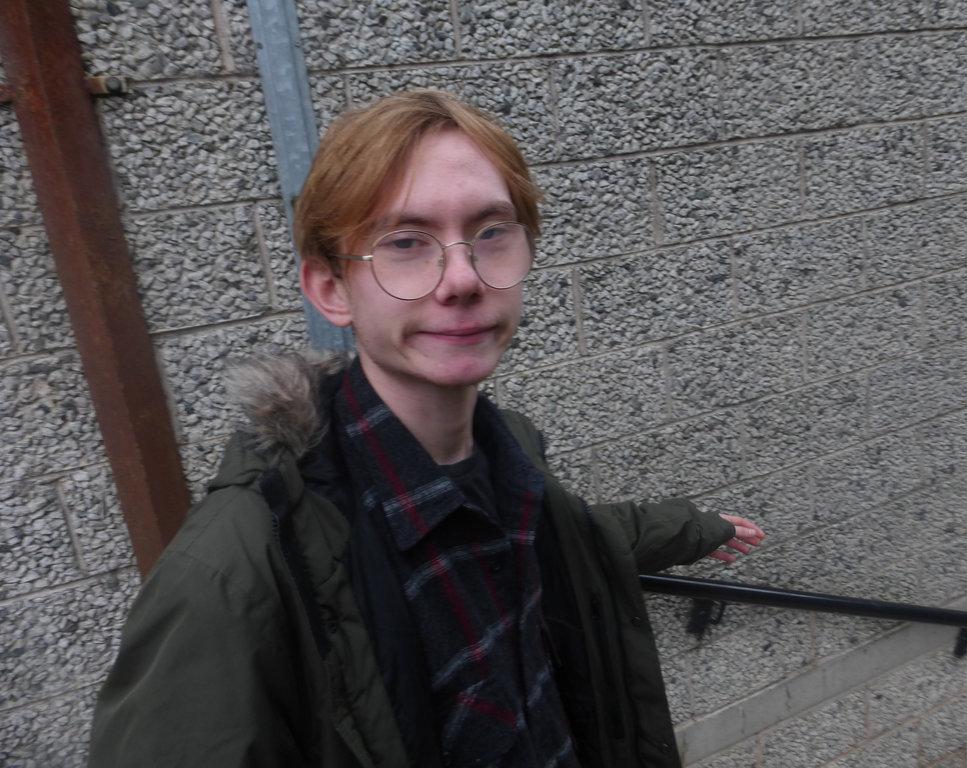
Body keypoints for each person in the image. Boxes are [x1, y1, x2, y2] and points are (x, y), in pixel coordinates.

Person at [88, 89, 765, 768]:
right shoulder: (231, 577)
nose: (462, 278)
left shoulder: (512, 458)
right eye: (406, 242)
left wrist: (696, 528)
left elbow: (577, 537)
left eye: (491, 233)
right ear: (330, 289)